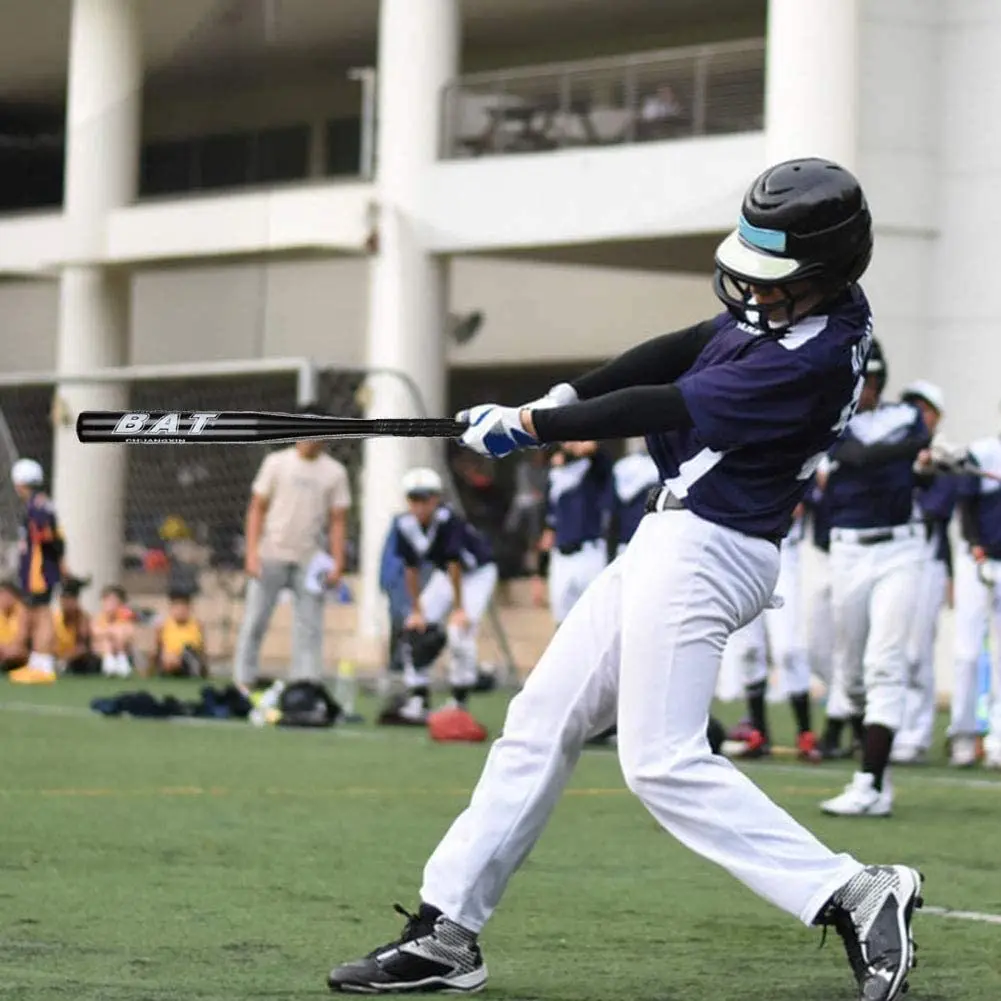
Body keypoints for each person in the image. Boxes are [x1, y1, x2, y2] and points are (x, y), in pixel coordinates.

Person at [327, 158, 923, 1001]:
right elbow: (680, 346)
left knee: (661, 762)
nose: (749, 288)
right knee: (538, 720)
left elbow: (662, 404)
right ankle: (445, 932)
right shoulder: (800, 309)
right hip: (672, 538)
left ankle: (853, 891)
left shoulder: (809, 359)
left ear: (823, 274)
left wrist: (532, 426)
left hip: (711, 550)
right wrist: (558, 394)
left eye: (772, 277)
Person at [817, 341, 930, 814]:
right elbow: (860, 456)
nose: (862, 390)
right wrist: (909, 453)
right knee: (851, 673)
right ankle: (875, 775)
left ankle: (870, 781)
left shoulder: (904, 415)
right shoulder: (834, 422)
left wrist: (916, 451)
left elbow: (916, 438)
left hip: (900, 547)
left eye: (869, 381)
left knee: (886, 661)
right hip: (848, 550)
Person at [233, 404, 352, 686]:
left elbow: (337, 521)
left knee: (309, 626)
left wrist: (338, 562)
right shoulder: (276, 463)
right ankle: (243, 680)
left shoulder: (335, 472)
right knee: (255, 620)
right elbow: (257, 508)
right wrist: (251, 553)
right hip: (270, 554)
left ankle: (305, 683)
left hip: (309, 559)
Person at [389, 468, 498, 721]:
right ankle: (418, 697)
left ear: (436, 499)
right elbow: (411, 568)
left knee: (459, 632)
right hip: (445, 576)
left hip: (476, 574)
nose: (420, 505)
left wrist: (459, 609)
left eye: (425, 498)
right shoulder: (404, 524)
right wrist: (417, 610)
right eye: (414, 499)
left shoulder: (448, 520)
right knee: (414, 629)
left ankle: (459, 703)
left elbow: (455, 563)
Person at [722, 505, 822, 762]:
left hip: (781, 548)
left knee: (787, 648)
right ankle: (759, 731)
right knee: (748, 649)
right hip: (738, 550)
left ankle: (805, 733)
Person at [892, 381, 957, 764]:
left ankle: (914, 734)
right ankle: (886, 725)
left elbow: (938, 505)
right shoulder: (894, 451)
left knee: (917, 651)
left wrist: (923, 470)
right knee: (889, 649)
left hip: (926, 560)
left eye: (925, 409)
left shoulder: (944, 454)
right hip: (892, 554)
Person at [950, 426, 1001, 768]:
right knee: (967, 652)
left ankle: (997, 741)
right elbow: (965, 503)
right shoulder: (984, 451)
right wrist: (976, 544)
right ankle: (963, 735)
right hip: (978, 560)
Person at [535, 440, 612, 625]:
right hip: (561, 554)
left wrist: (580, 446)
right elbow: (548, 529)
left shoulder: (593, 468)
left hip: (589, 551)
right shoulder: (555, 475)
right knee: (562, 621)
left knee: (596, 617)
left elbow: (597, 452)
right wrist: (539, 575)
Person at [7, 458, 66, 685]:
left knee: (42, 614)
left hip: (38, 570)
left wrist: (50, 563)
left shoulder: (37, 507)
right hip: (39, 569)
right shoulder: (39, 504)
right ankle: (36, 661)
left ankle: (43, 665)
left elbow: (47, 536)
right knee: (34, 613)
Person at [608, 438, 661, 558]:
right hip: (628, 537)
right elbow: (612, 509)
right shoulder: (621, 467)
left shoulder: (659, 464)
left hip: (653, 539)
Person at [153, 588, 207, 677]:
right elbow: (157, 648)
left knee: (187, 651)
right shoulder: (163, 626)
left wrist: (204, 666)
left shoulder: (197, 625)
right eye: (177, 608)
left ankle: (190, 669)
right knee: (168, 657)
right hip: (168, 657)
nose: (180, 611)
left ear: (189, 609)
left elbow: (202, 648)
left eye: (183, 608)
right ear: (171, 609)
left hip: (189, 656)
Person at [54, 576, 99, 675]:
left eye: (70, 599)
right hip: (55, 657)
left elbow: (83, 647)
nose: (66, 603)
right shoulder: (54, 618)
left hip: (74, 661)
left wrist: (65, 659)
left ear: (76, 601)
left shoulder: (82, 618)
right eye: (64, 599)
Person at [92, 584, 136, 677]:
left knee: (118, 633)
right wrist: (111, 632)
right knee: (106, 641)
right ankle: (110, 664)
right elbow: (95, 633)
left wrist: (113, 632)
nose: (109, 605)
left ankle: (121, 661)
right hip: (100, 653)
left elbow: (129, 634)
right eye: (107, 601)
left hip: (121, 649)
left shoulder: (125, 618)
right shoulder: (98, 618)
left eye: (113, 602)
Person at [0, 579, 29, 673]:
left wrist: (10, 650)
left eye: (8, 595)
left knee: (19, 653)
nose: (4, 598)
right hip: (2, 649)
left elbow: (21, 638)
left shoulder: (22, 611)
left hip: (15, 651)